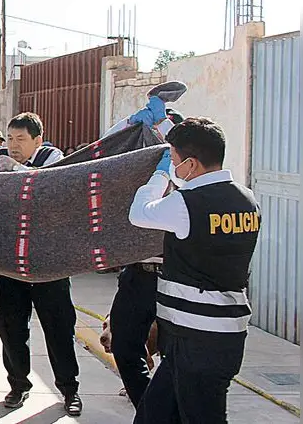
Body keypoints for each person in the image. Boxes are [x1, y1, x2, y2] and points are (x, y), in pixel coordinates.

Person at [0, 112, 82, 416]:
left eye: (21, 139)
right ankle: (18, 384)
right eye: (10, 138)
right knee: (10, 329)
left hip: (48, 264)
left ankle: (69, 389)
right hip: (9, 262)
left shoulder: (52, 157)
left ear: (38, 140)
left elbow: (51, 185)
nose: (13, 145)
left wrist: (19, 170)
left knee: (59, 329)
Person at [129, 117, 260, 424]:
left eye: (174, 160)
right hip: (211, 334)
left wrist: (160, 176)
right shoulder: (247, 199)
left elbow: (139, 213)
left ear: (191, 164)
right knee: (154, 414)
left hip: (197, 339)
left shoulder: (187, 203)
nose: (174, 166)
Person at [103, 98, 185, 407]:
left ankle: (166, 409)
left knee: (175, 352)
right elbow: (105, 151)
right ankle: (149, 407)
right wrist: (129, 124)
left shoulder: (186, 175)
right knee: (125, 347)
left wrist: (165, 130)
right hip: (138, 275)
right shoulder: (138, 172)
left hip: (175, 276)